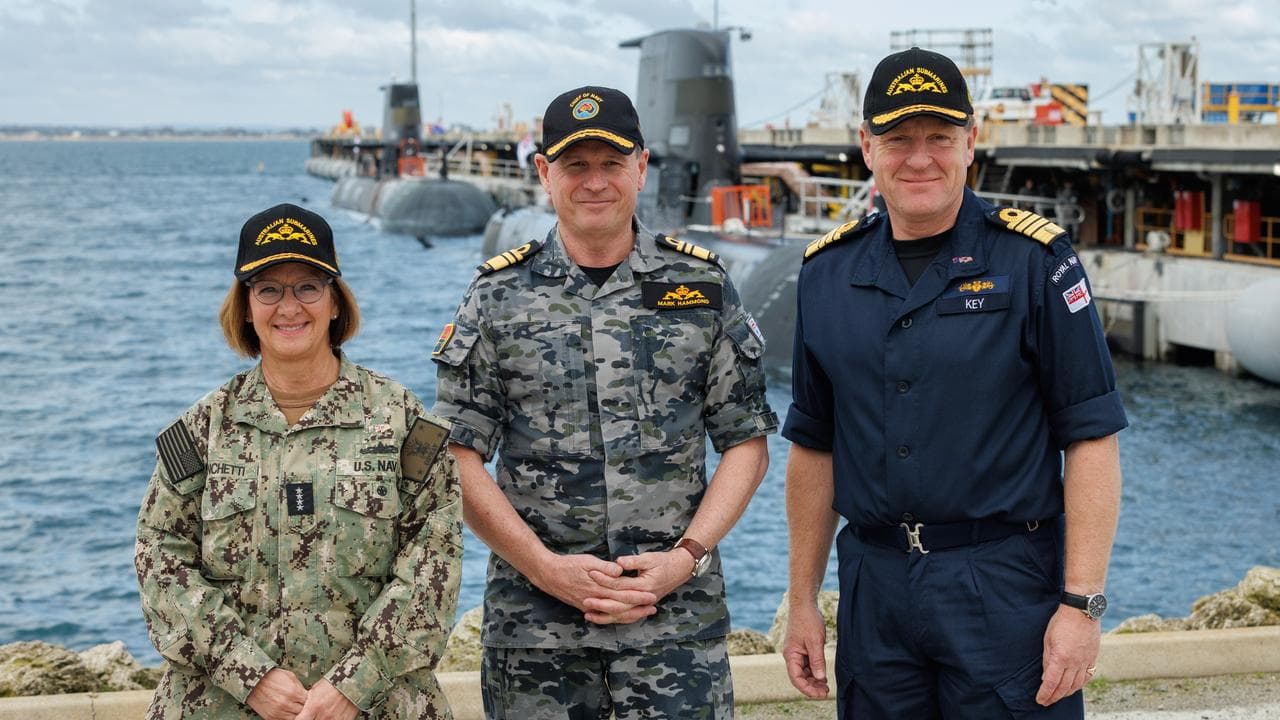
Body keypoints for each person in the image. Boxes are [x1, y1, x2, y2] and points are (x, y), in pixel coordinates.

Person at [781, 48, 1126, 719]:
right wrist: (802, 601)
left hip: (1003, 585)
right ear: (865, 146)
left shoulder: (1036, 263)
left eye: (940, 137)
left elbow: (1091, 438)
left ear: (971, 142)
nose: (919, 158)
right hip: (873, 588)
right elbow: (813, 446)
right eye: (897, 139)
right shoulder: (827, 274)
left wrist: (1082, 604)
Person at [431, 85, 777, 719]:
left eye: (611, 164)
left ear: (641, 167)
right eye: (574, 165)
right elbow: (456, 457)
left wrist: (685, 558)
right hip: (536, 636)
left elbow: (746, 443)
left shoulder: (701, 288)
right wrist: (543, 568)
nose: (595, 182)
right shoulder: (496, 297)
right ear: (543, 173)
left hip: (675, 629)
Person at [135, 203, 462, 720]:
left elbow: (434, 558)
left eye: (308, 286)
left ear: (335, 302)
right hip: (223, 705)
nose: (290, 306)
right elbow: (161, 558)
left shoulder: (399, 420)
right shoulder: (202, 430)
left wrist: (355, 683)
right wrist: (251, 676)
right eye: (269, 289)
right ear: (245, 307)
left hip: (378, 704)